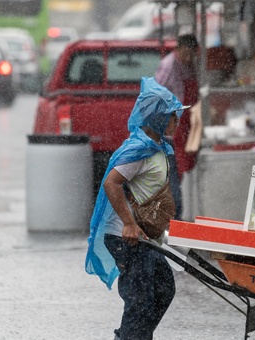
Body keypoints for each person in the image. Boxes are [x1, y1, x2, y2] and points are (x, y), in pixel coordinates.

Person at [85, 77, 188, 340]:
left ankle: (135, 337)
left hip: (146, 237)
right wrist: (129, 223)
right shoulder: (138, 149)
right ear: (158, 119)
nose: (177, 121)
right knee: (140, 301)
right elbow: (112, 183)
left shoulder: (158, 148)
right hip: (126, 236)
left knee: (163, 290)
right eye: (172, 117)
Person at [155, 33, 200, 220]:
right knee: (172, 175)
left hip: (185, 129)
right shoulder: (168, 66)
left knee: (180, 174)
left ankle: (176, 217)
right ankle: (174, 219)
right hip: (168, 131)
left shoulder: (188, 65)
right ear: (178, 48)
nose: (189, 58)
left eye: (192, 54)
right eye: (187, 53)